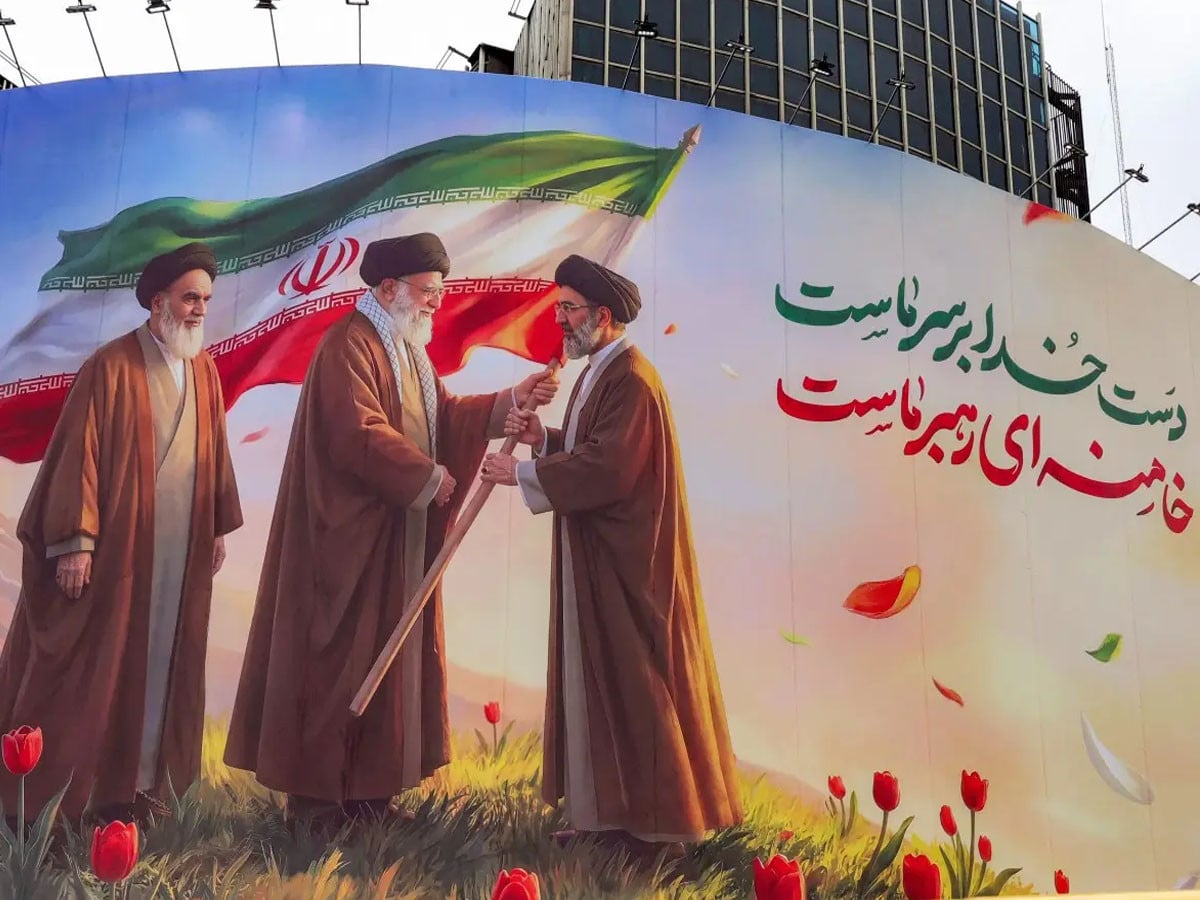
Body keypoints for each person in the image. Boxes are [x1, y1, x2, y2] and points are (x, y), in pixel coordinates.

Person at [223, 232, 558, 832]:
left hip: (390, 541)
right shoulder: (347, 345)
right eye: (428, 291)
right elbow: (358, 432)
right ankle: (319, 806)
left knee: (386, 661)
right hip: (343, 547)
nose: (436, 302)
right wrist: (427, 476)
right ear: (388, 289)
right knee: (335, 664)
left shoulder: (405, 349)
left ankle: (369, 798)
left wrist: (513, 398)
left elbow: (443, 416)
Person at [480, 254, 744, 862]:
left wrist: (519, 472)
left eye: (569, 309)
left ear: (602, 316)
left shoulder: (633, 379)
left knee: (636, 689)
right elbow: (587, 448)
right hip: (600, 559)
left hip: (631, 569)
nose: (559, 320)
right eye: (559, 308)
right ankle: (607, 822)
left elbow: (608, 468)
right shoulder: (601, 371)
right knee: (601, 687)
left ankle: (658, 836)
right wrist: (543, 441)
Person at [0, 242, 244, 827]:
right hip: (118, 554)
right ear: (157, 302)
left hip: (179, 555)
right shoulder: (110, 367)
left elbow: (214, 456)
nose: (199, 310)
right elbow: (76, 458)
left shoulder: (204, 371)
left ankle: (137, 791)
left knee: (161, 667)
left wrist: (214, 528)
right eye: (189, 298)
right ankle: (72, 800)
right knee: (98, 671)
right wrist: (75, 542)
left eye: (205, 300)